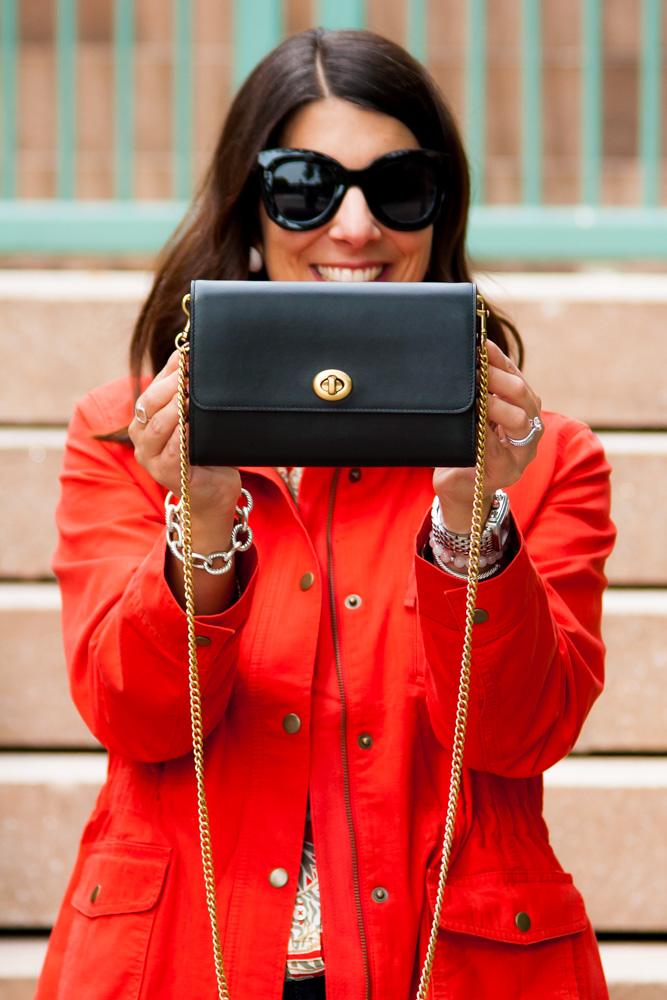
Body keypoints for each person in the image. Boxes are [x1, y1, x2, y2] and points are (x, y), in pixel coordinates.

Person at [36, 27, 615, 1000]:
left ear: (440, 210)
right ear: (248, 210)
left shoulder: (545, 457)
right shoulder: (125, 437)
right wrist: (202, 520)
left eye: (397, 186)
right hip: (186, 960)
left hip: (449, 964)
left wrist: (471, 514)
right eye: (304, 184)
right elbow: (135, 717)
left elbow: (519, 734)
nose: (353, 226)